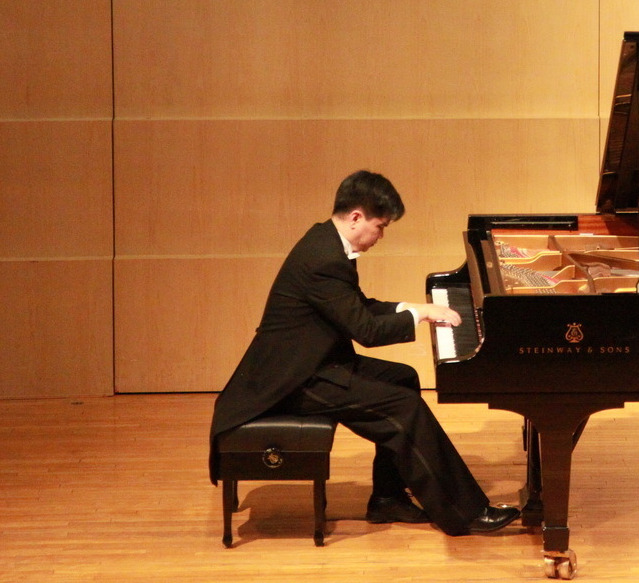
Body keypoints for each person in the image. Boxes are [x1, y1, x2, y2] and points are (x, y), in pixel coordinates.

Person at [209, 169, 519, 535]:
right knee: (405, 408)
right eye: (381, 226)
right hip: (294, 379)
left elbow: (356, 307)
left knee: (404, 379)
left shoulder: (327, 242)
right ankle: (467, 513)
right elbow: (366, 331)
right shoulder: (324, 260)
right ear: (356, 217)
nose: (381, 236)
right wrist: (419, 315)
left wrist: (411, 307)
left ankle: (387, 499)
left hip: (313, 364)